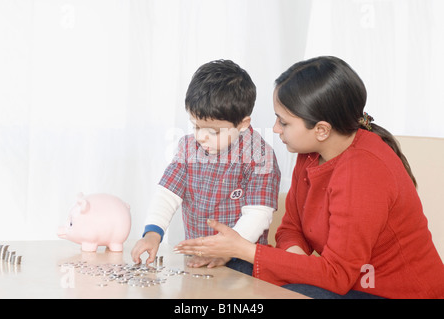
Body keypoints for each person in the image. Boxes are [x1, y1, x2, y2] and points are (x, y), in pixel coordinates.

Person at [174, 56, 444, 298]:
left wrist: (248, 250)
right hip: (343, 282)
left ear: (322, 129)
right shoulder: (310, 151)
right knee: (239, 269)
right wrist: (296, 267)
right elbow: (291, 227)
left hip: (392, 293)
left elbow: (337, 276)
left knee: (264, 278)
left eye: (284, 122)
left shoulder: (363, 172)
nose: (276, 129)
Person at [131, 59, 281, 272]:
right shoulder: (189, 147)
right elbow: (167, 193)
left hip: (241, 260)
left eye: (214, 131)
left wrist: (228, 251)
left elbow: (258, 214)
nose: (201, 137)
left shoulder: (260, 155)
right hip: (196, 257)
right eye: (196, 126)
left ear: (242, 124)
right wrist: (152, 234)